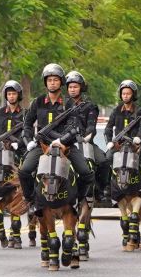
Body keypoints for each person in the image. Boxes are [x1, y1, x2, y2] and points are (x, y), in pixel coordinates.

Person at [18, 64, 95, 213]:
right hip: (42, 146)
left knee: (86, 173)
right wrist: (28, 142)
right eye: (49, 80)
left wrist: (61, 140)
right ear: (45, 82)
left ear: (61, 82)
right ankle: (31, 200)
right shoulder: (37, 102)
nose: (52, 82)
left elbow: (74, 128)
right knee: (24, 171)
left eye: (55, 80)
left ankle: (78, 200)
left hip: (65, 146)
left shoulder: (70, 103)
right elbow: (27, 125)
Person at [66, 70, 109, 200]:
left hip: (85, 142)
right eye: (70, 87)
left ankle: (100, 190)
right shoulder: (62, 105)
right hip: (65, 143)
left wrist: (87, 136)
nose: (72, 89)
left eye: (75, 87)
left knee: (104, 162)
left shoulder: (90, 106)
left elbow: (91, 125)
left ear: (81, 88)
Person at [0, 80, 26, 161]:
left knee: (25, 170)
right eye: (9, 94)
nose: (11, 96)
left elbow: (28, 132)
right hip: (1, 148)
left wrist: (19, 144)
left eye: (14, 94)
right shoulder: (0, 112)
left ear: (18, 95)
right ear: (6, 96)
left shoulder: (25, 114)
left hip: (19, 150)